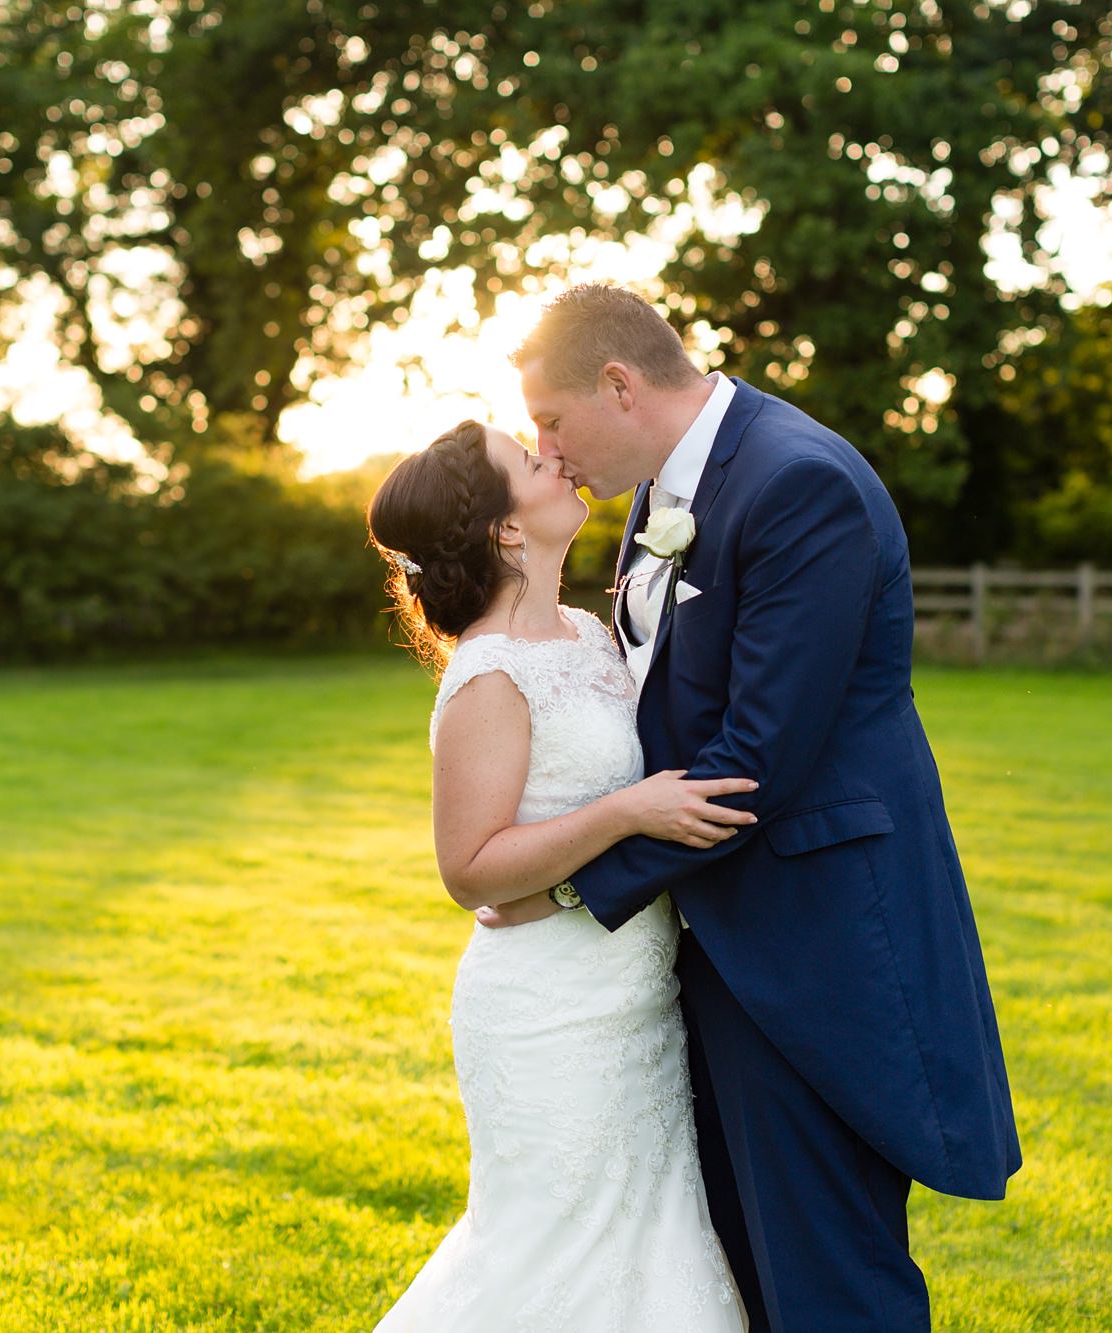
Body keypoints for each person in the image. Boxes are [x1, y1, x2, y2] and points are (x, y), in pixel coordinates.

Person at [476, 282, 1023, 1331]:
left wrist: (571, 885)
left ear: (619, 384)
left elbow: (755, 759)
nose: (542, 446)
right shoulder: (660, 488)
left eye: (548, 418)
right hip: (715, 933)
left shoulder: (794, 482)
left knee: (827, 1278)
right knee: (745, 1266)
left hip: (810, 933)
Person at [365, 418, 753, 1331]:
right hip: (547, 1009)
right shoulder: (489, 676)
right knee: (554, 1245)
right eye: (532, 462)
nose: (558, 459)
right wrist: (626, 811)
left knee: (649, 1243)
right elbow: (469, 870)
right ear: (507, 528)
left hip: (636, 991)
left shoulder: (587, 633)